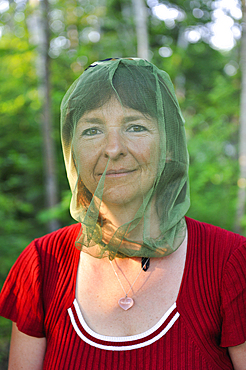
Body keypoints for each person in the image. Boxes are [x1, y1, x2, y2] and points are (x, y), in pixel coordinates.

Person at [0, 58, 245, 370]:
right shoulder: (42, 264)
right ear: (72, 149)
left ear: (169, 145)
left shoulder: (231, 262)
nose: (113, 148)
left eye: (136, 126)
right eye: (92, 130)